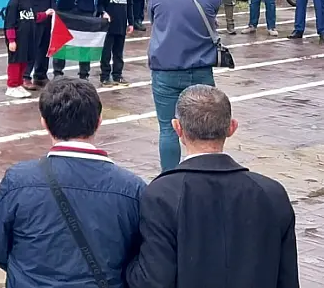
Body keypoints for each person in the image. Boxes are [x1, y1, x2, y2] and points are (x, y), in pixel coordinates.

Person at [126, 85, 298, 288]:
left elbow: (154, 279)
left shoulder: (162, 194)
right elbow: (287, 278)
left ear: (177, 128)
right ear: (231, 128)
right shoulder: (272, 193)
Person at [0, 79, 145, 288]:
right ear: (98, 121)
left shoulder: (18, 180)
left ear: (44, 122)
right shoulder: (132, 188)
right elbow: (139, 257)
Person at [147, 0, 221, 171]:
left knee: (168, 128)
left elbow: (154, 19)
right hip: (201, 68)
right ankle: (206, 172)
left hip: (166, 68)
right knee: (206, 128)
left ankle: (170, 178)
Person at [5, 0, 53, 98]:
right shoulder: (14, 2)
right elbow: (9, 23)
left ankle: (19, 84)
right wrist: (11, 40)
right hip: (17, 38)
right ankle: (12, 85)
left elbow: (33, 17)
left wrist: (46, 14)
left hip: (28, 37)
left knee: (24, 62)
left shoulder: (28, 0)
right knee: (15, 62)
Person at [98, 0, 134, 85]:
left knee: (118, 52)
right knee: (106, 52)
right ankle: (105, 76)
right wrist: (103, 13)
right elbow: (100, 3)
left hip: (121, 24)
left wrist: (131, 22)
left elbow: (130, 5)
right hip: (108, 26)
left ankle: (118, 74)